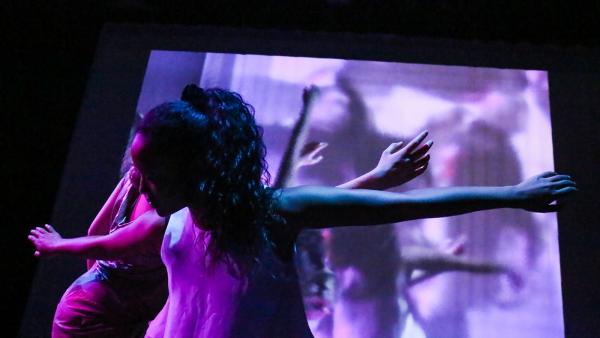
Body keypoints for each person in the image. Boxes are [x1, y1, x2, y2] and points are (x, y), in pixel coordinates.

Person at [130, 84, 574, 338]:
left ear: (199, 170)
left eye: (154, 173)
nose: (139, 184)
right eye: (138, 168)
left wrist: (512, 194)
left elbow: (403, 206)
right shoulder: (182, 218)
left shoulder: (271, 212)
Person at [29, 85, 432, 338]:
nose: (141, 173)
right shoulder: (157, 196)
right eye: (141, 164)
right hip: (98, 314)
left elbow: (280, 209)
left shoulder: (194, 202)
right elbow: (99, 241)